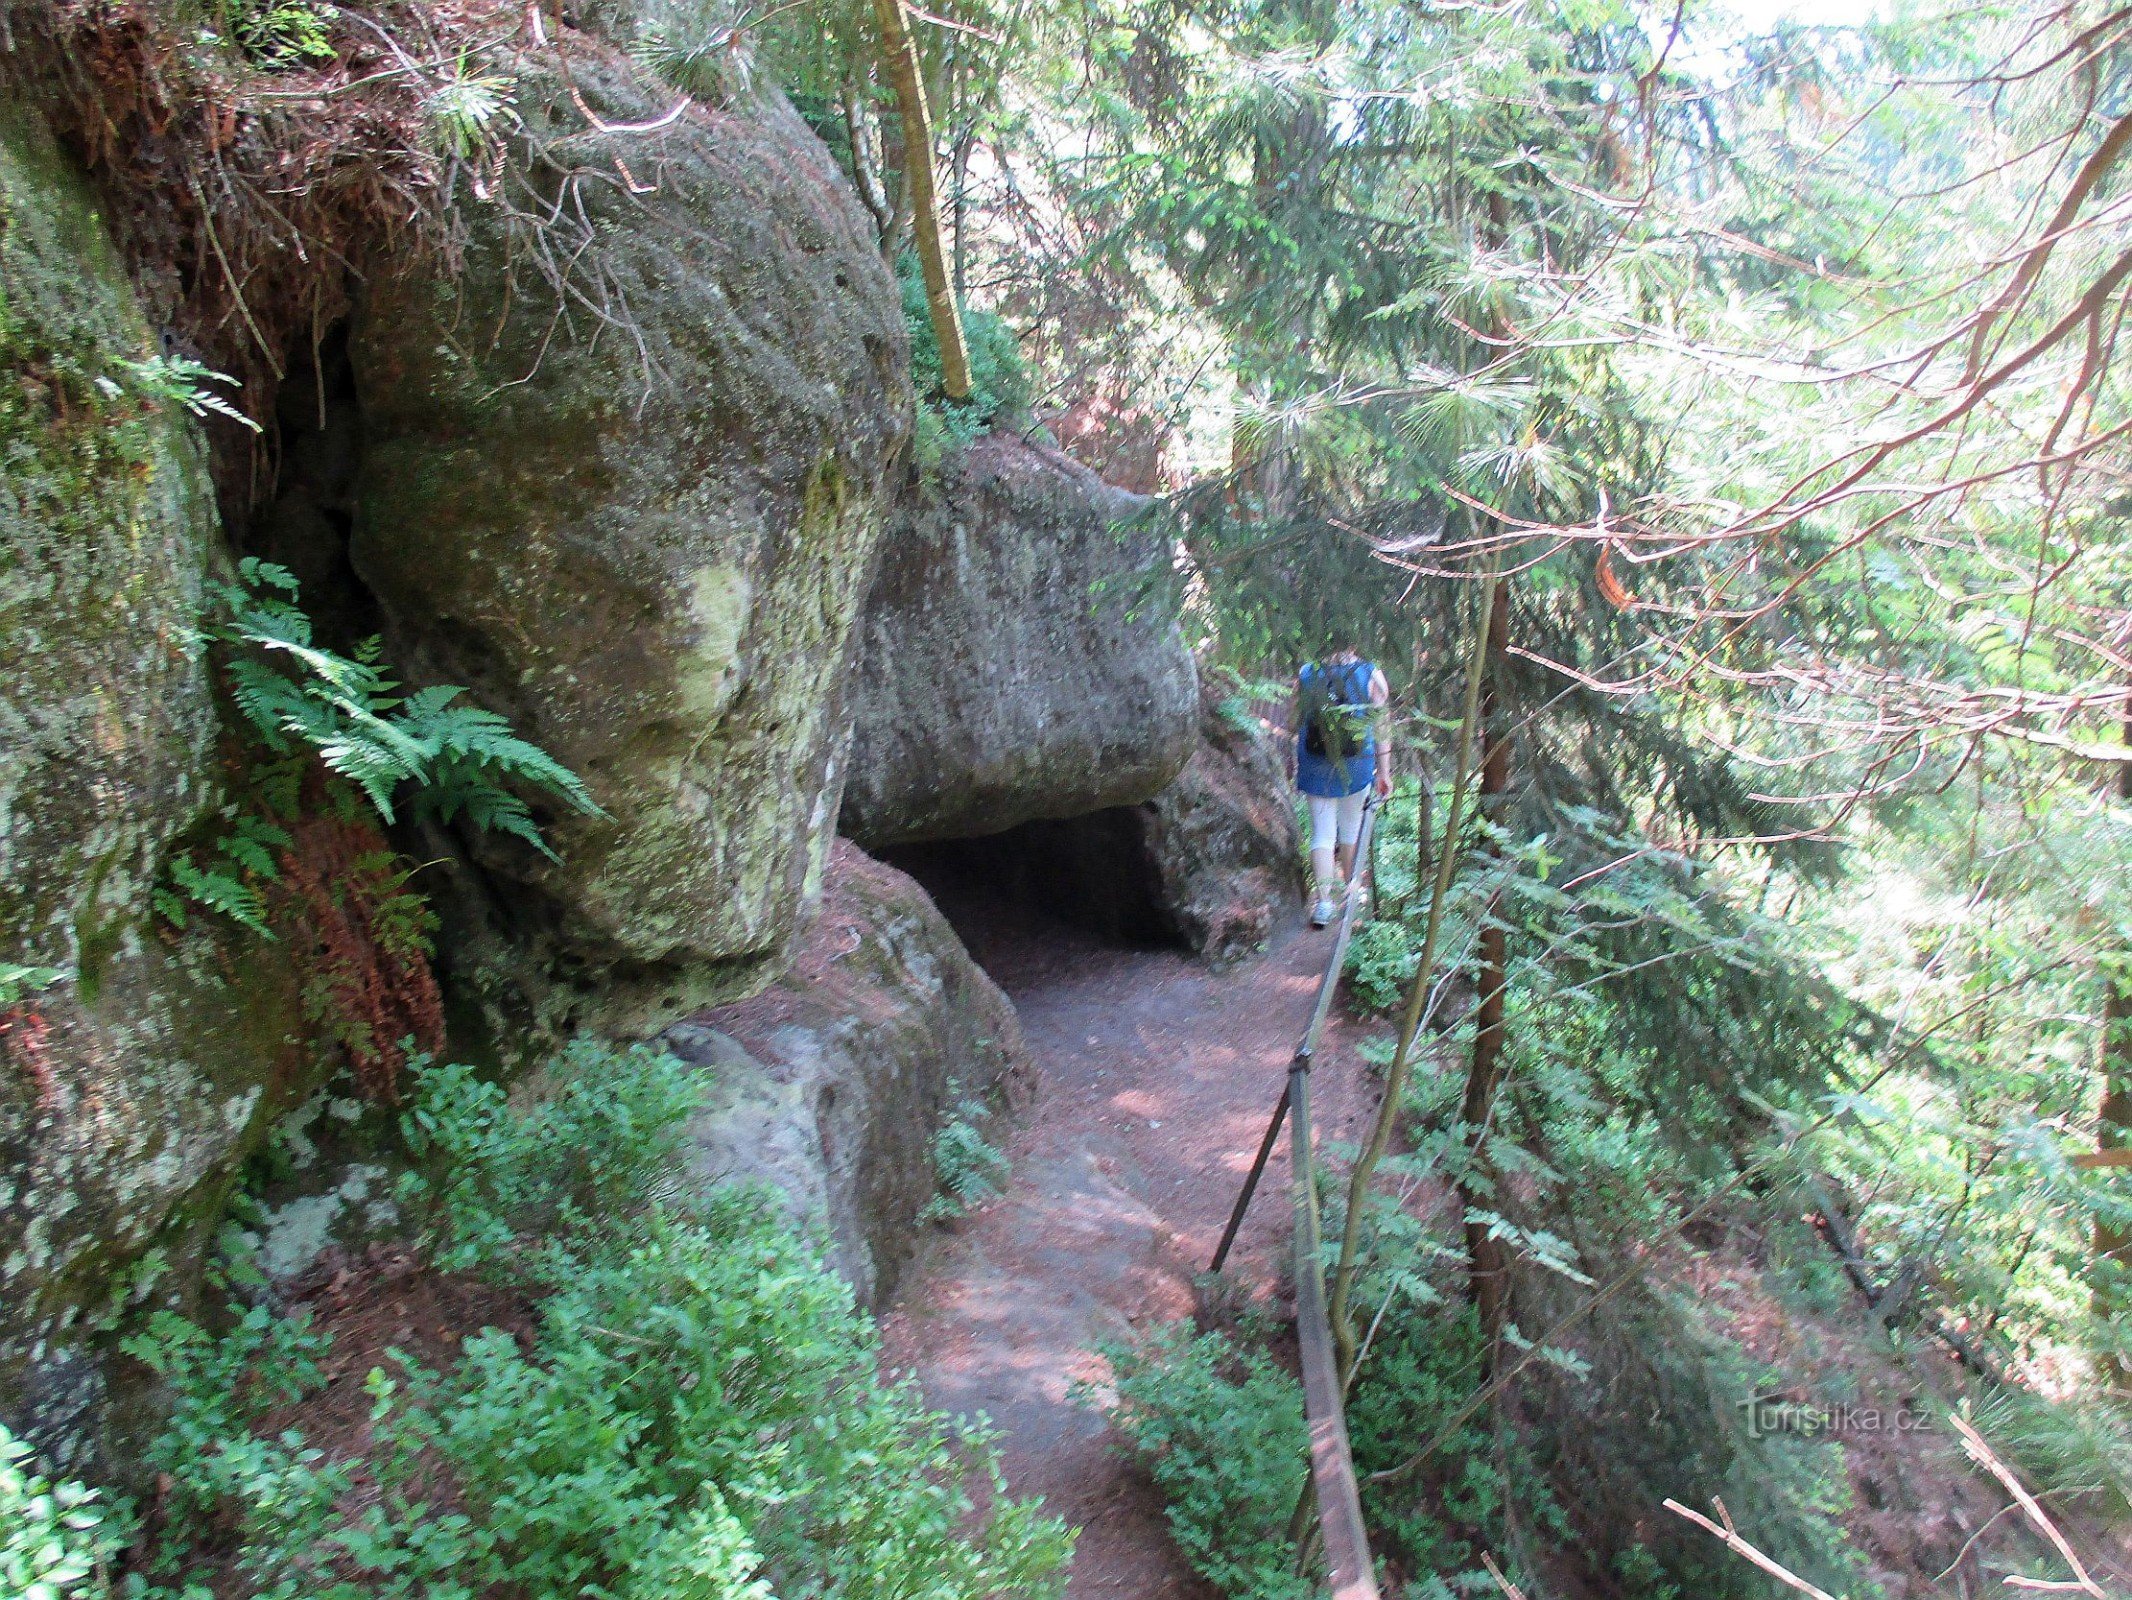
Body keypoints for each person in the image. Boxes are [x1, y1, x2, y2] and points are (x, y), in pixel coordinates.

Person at [1293, 645, 1392, 927]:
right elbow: (1382, 727)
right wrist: (1385, 771)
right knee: (1351, 830)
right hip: (1357, 764)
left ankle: (1324, 903)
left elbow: (1296, 721)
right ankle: (1351, 894)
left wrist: (1294, 760)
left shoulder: (1307, 673)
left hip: (1315, 762)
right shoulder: (1370, 674)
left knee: (1321, 835)